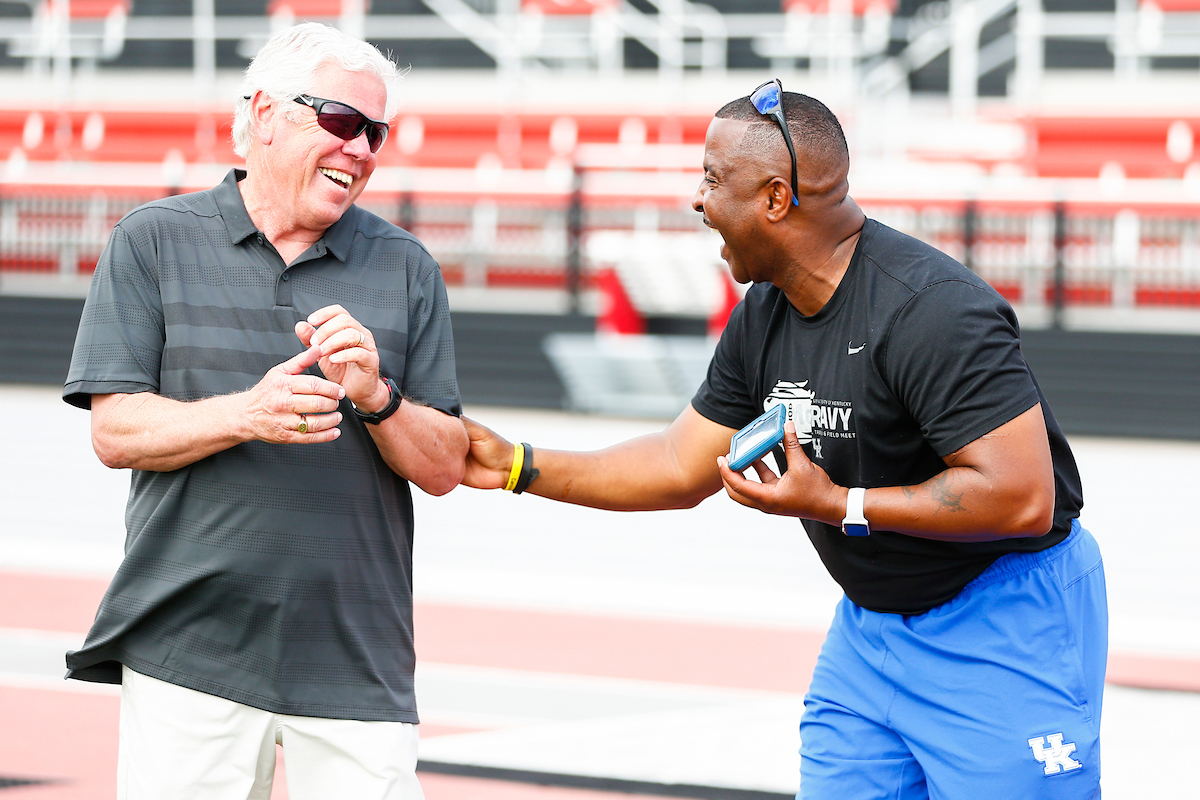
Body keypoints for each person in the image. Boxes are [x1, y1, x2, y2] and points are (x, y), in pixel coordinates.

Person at [462, 81, 1105, 799]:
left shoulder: (932, 311)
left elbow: (1021, 499)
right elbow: (678, 463)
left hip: (1003, 618)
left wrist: (838, 503)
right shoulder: (766, 310)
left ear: (775, 198)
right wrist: (515, 465)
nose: (698, 200)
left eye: (712, 179)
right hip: (871, 629)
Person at [62, 22, 468, 799]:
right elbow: (114, 432)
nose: (361, 148)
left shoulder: (408, 268)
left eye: (376, 132)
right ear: (265, 114)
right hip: (188, 654)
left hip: (357, 660)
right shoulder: (152, 241)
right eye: (342, 120)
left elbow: (445, 465)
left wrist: (376, 396)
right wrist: (246, 415)